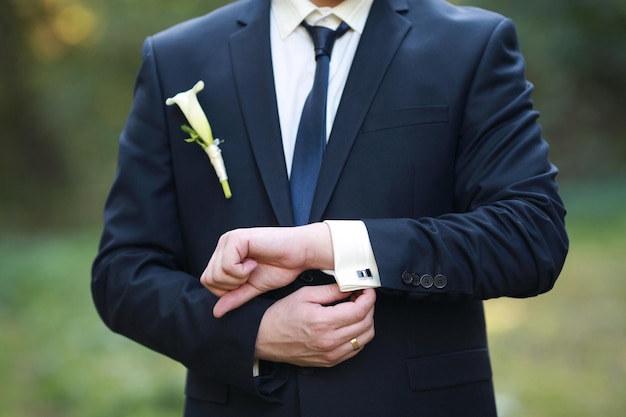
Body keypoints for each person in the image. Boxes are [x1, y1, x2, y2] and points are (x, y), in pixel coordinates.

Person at [91, 0, 569, 415]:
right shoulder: (176, 57)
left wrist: (332, 247)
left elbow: (531, 238)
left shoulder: (472, 46)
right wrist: (252, 333)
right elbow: (123, 272)